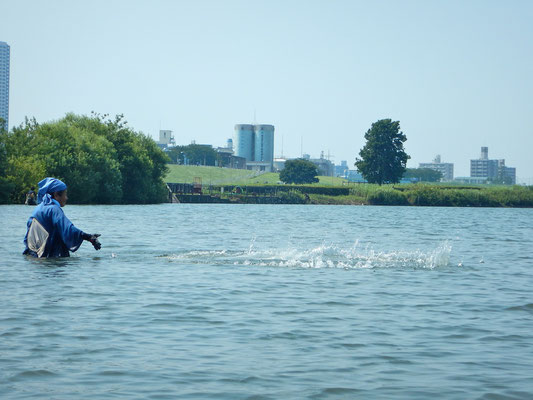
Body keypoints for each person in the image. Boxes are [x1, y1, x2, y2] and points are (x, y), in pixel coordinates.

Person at [23, 177, 101, 258]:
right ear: (56, 194)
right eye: (65, 194)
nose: (66, 198)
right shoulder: (54, 209)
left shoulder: (38, 208)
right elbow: (68, 229)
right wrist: (89, 237)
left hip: (32, 258)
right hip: (45, 258)